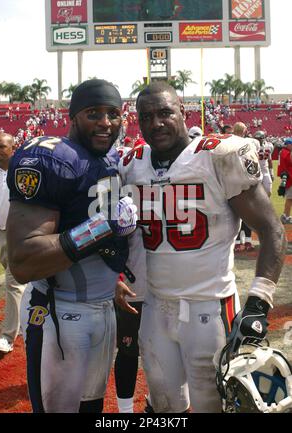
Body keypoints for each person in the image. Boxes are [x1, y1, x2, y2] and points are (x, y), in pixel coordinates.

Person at [118, 81, 286, 413]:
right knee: (164, 404)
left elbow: (271, 230)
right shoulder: (131, 163)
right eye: (146, 116)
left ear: (183, 112)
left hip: (209, 308)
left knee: (213, 403)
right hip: (154, 307)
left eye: (165, 112)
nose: (156, 123)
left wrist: (258, 302)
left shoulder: (217, 156)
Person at [5, 79, 138, 413]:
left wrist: (111, 279)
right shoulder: (50, 158)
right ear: (73, 116)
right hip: (58, 310)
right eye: (94, 113)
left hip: (101, 308)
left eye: (113, 113)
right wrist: (101, 227)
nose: (106, 122)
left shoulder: (106, 161)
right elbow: (23, 260)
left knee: (91, 408)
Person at [0, 133, 26, 353]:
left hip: (22, 234)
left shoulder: (24, 173)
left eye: (2, 147)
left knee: (13, 282)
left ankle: (8, 336)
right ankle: (25, 317)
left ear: (13, 148)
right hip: (1, 231)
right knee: (18, 279)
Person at [114, 227, 147, 413]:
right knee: (128, 352)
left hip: (170, 289)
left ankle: (160, 404)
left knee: (168, 352)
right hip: (135, 286)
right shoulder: (123, 198)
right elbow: (112, 240)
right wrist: (117, 277)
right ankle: (125, 412)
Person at [232, 122, 255, 252]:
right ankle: (247, 241)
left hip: (233, 182)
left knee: (236, 214)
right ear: (244, 130)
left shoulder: (228, 142)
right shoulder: (249, 143)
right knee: (247, 215)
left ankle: (237, 242)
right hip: (245, 181)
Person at [253, 130, 274, 197]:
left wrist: (271, 172)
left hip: (265, 171)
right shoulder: (252, 146)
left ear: (263, 138)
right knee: (255, 192)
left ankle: (265, 204)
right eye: (256, 139)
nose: (258, 140)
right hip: (255, 171)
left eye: (259, 139)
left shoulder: (269, 145)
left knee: (268, 190)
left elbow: (270, 160)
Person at [277, 137, 292, 224]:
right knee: (289, 198)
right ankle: (285, 216)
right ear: (288, 144)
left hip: (286, 176)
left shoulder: (283, 151)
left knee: (290, 198)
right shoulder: (286, 152)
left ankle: (287, 215)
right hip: (289, 177)